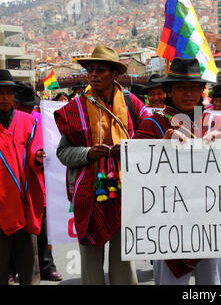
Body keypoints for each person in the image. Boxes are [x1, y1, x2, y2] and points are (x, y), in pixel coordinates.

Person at [54, 45, 148, 285]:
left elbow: (150, 139)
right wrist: (88, 153)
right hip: (88, 194)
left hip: (126, 191)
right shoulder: (76, 108)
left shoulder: (132, 104)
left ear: (115, 74)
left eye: (100, 70)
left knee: (123, 259)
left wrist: (128, 148)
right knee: (90, 261)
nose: (94, 75)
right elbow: (63, 152)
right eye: (91, 70)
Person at [133, 57, 221, 285]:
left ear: (202, 91)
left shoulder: (219, 124)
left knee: (211, 283)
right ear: (168, 91)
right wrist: (161, 149)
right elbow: (135, 172)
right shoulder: (152, 125)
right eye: (181, 88)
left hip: (212, 222)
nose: (188, 94)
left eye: (194, 88)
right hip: (168, 223)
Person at [13, 82, 63, 282]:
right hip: (12, 185)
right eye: (23, 106)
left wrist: (39, 155)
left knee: (43, 227)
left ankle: (46, 265)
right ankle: (10, 269)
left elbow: (48, 144)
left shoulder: (39, 118)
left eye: (30, 106)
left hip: (38, 182)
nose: (28, 109)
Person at [0, 70, 45, 285]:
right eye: (0, 93)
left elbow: (36, 148)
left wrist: (37, 157)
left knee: (29, 267)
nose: (4, 97)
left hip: (25, 202)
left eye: (9, 93)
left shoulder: (28, 122)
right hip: (1, 205)